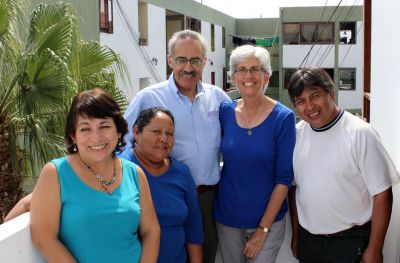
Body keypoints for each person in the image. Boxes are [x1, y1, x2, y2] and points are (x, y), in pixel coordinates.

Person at [123, 29, 230, 263]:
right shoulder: (148, 98)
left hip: (207, 198)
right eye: (181, 60)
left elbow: (235, 139)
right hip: (159, 195)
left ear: (205, 62)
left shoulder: (218, 98)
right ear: (170, 60)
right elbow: (120, 143)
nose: (188, 68)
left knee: (205, 254)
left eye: (195, 60)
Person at [30, 89, 160, 262]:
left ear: (119, 131)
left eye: (104, 126)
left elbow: (151, 231)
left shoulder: (134, 173)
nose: (96, 137)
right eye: (85, 129)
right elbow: (43, 238)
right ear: (73, 136)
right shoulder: (55, 173)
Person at [287, 67, 400, 263]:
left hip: (351, 242)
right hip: (309, 242)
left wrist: (375, 247)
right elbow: (294, 189)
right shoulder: (297, 135)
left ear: (331, 93)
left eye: (316, 96)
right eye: (301, 101)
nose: (310, 106)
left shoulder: (360, 133)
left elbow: (382, 192)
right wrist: (296, 235)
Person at [213, 45, 296, 262]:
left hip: (268, 221)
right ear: (233, 77)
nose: (248, 75)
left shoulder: (283, 118)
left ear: (266, 75)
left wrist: (262, 230)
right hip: (227, 218)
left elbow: (283, 179)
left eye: (255, 69)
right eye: (241, 69)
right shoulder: (225, 111)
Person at [119, 107, 203, 263]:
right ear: (136, 132)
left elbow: (193, 228)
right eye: (157, 132)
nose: (164, 139)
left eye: (169, 134)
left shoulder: (181, 172)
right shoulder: (118, 169)